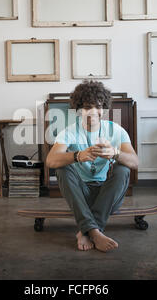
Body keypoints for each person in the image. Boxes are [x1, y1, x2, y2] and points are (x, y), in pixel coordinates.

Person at [46, 81, 139, 252]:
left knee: (123, 168)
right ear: (79, 109)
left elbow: (135, 162)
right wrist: (77, 156)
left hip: (108, 195)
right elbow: (51, 161)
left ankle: (86, 230)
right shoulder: (69, 132)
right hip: (81, 195)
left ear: (103, 108)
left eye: (98, 106)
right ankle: (96, 233)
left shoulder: (116, 130)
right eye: (88, 107)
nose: (93, 111)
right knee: (62, 168)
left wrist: (115, 152)